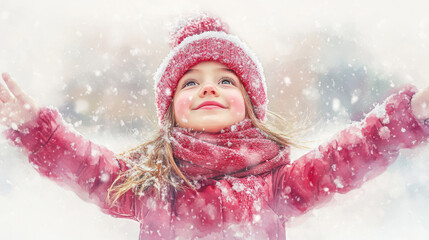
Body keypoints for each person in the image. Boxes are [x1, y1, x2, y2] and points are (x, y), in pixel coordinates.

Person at [1, 14, 429, 240]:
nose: (209, 89)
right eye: (191, 82)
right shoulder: (150, 186)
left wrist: (405, 117)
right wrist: (36, 128)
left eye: (226, 80)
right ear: (171, 110)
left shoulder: (278, 184)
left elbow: (344, 157)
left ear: (249, 105)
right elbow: (85, 166)